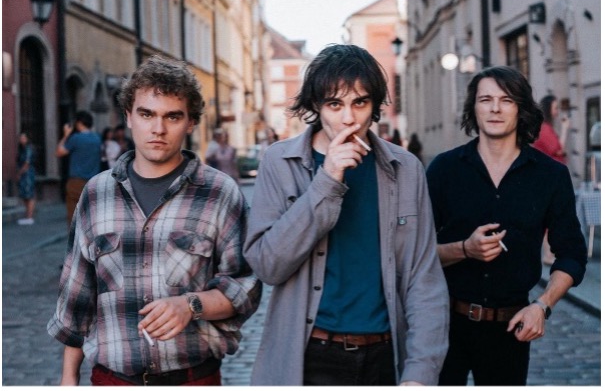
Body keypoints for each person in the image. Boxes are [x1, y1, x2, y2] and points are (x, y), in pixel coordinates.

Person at [47, 55, 261, 386]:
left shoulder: (220, 193)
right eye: (147, 114)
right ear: (129, 117)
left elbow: (244, 288)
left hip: (193, 378)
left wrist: (191, 305)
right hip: (112, 379)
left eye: (172, 116)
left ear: (191, 123)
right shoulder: (96, 194)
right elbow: (77, 297)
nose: (158, 129)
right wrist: (67, 378)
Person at [244, 44, 449, 386]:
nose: (349, 118)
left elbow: (423, 279)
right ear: (315, 105)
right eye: (335, 104)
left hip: (385, 356)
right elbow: (268, 266)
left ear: (375, 104)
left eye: (360, 102)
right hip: (310, 357)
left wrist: (420, 373)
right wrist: (327, 181)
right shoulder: (279, 163)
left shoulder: (406, 168)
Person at [426, 66, 587, 386]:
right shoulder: (445, 169)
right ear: (473, 107)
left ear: (521, 109)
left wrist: (543, 305)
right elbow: (413, 253)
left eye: (507, 100)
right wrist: (464, 249)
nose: (495, 108)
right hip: (443, 324)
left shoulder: (550, 176)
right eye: (486, 99)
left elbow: (571, 253)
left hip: (510, 327)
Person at [533, 95, 570, 265]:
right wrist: (565, 129)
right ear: (549, 109)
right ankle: (547, 255)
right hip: (548, 179)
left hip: (548, 177)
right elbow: (558, 150)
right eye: (555, 108)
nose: (557, 112)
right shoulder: (545, 129)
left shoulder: (545, 128)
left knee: (550, 217)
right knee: (550, 217)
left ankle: (548, 254)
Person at [55, 110, 102, 226]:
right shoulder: (97, 139)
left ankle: (76, 242)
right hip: (93, 183)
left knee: (73, 217)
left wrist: (66, 135)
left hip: (76, 182)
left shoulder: (75, 138)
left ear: (79, 123)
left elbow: (59, 152)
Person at [16, 132, 36, 225]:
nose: (22, 139)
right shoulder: (22, 149)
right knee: (25, 195)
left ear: (27, 139)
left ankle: (30, 217)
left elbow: (27, 163)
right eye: (21, 138)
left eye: (24, 138)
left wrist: (19, 173)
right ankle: (27, 216)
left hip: (28, 174)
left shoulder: (28, 148)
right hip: (24, 174)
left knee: (29, 194)